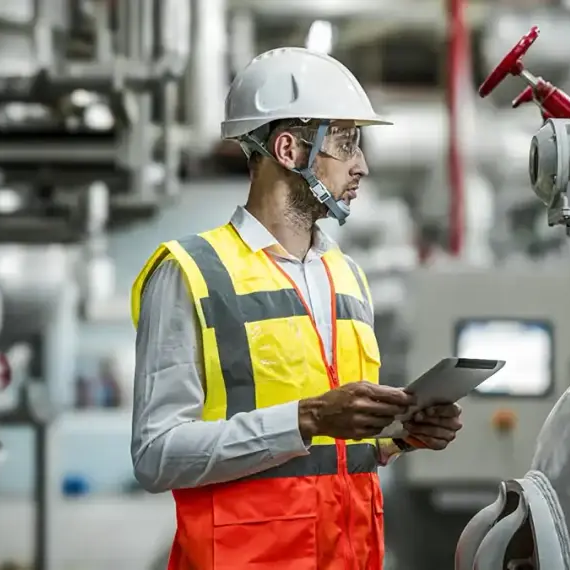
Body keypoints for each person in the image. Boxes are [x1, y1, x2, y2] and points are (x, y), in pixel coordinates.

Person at [129, 47, 463, 570]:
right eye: (347, 142)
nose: (363, 165)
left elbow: (334, 456)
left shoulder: (346, 275)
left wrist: (398, 438)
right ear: (288, 149)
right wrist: (307, 418)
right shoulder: (191, 273)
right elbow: (156, 457)